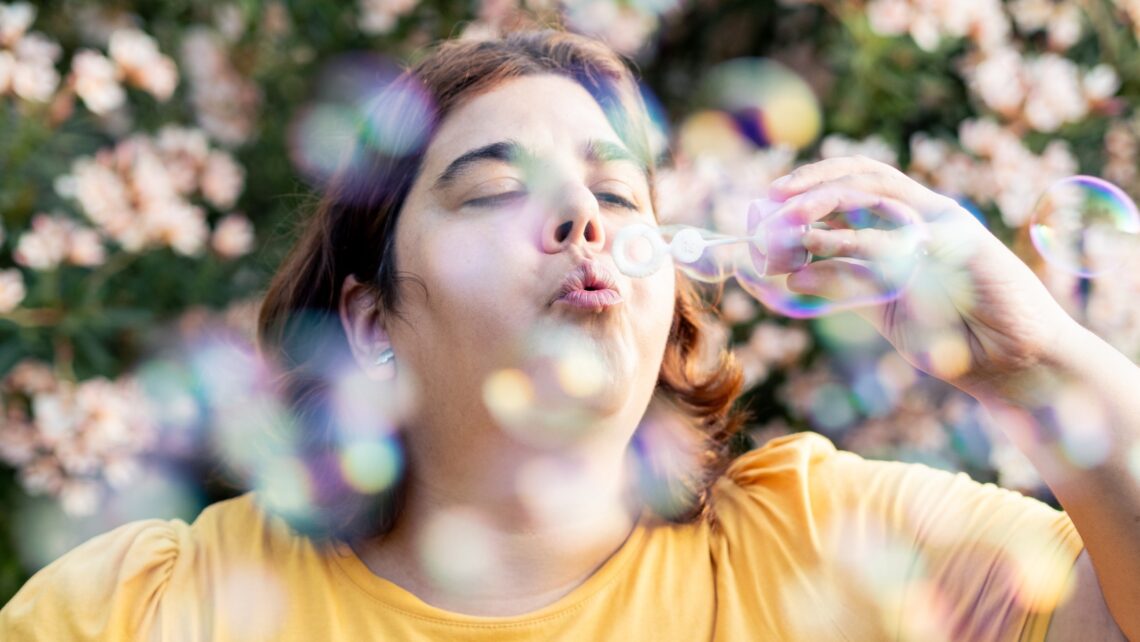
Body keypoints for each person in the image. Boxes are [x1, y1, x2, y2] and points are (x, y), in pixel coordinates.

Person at [2, 27, 1138, 642]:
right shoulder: (146, 610)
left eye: (618, 193)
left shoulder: (820, 540)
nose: (586, 219)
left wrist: (1045, 366)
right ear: (370, 319)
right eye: (495, 190)